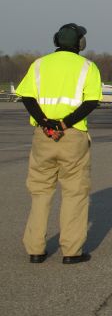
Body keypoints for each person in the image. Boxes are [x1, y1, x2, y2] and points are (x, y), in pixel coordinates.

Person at [15, 23, 102, 264]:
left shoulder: (39, 65)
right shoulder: (88, 67)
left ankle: (35, 249)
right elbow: (91, 102)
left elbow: (27, 96)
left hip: (43, 137)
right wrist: (63, 124)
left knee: (40, 192)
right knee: (74, 193)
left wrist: (46, 123)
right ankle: (71, 251)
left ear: (56, 40)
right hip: (72, 136)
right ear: (80, 43)